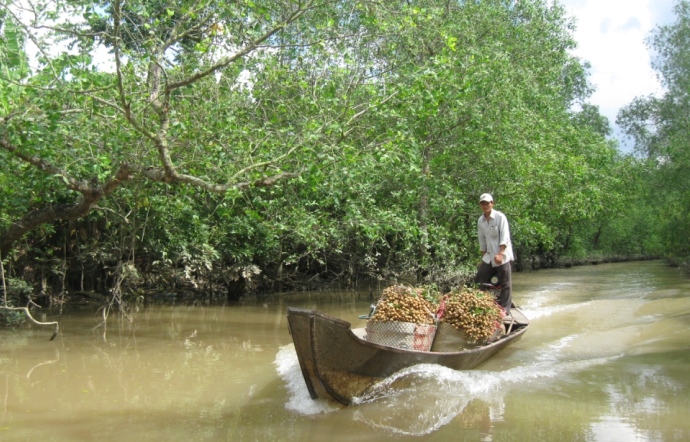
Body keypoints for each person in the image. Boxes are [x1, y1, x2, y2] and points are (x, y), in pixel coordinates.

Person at [475, 193, 513, 315]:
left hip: (502, 254)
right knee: (480, 278)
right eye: (483, 203)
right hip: (489, 255)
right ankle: (482, 303)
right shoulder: (480, 221)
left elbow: (505, 237)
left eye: (487, 203)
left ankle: (505, 309)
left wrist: (501, 253)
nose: (485, 206)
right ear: (480, 205)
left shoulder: (500, 217)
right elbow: (482, 240)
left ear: (492, 203)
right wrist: (484, 257)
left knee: (505, 282)